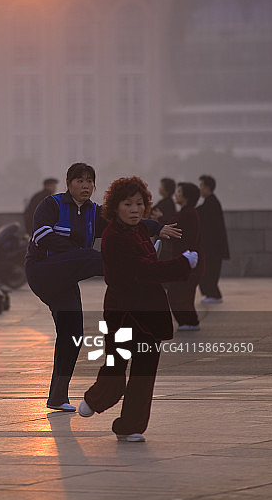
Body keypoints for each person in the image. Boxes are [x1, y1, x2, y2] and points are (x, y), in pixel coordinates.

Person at [25, 164, 179, 413]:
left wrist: (157, 228)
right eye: (80, 181)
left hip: (67, 279)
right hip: (44, 270)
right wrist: (79, 253)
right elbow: (42, 237)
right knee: (93, 257)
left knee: (72, 332)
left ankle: (56, 396)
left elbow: (124, 219)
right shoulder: (51, 205)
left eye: (90, 181)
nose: (85, 186)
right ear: (69, 183)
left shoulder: (94, 213)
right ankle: (141, 267)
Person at [78, 176, 197, 442]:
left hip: (149, 313)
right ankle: (95, 399)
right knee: (115, 365)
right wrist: (182, 265)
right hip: (123, 312)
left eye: (139, 204)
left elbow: (149, 255)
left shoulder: (141, 229)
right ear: (115, 207)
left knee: (144, 375)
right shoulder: (113, 237)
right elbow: (143, 270)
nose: (135, 209)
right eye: (128, 204)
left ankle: (130, 426)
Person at [165, 182, 205, 331]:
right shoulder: (187, 213)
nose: (177, 194)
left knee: (180, 294)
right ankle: (189, 322)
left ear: (186, 196)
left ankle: (189, 322)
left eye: (179, 192)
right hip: (187, 260)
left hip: (188, 261)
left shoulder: (188, 214)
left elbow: (176, 230)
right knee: (181, 294)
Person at [197, 175, 230, 303]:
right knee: (208, 270)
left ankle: (214, 295)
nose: (200, 189)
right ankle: (211, 294)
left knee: (210, 271)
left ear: (207, 187)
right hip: (212, 247)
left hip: (213, 248)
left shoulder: (211, 204)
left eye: (201, 186)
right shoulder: (210, 203)